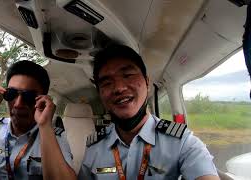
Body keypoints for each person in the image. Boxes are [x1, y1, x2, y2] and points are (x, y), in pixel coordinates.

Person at [78, 45, 220, 180]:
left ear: (147, 82)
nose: (119, 88)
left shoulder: (181, 142)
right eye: (107, 83)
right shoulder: (94, 147)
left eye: (127, 75)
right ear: (100, 94)